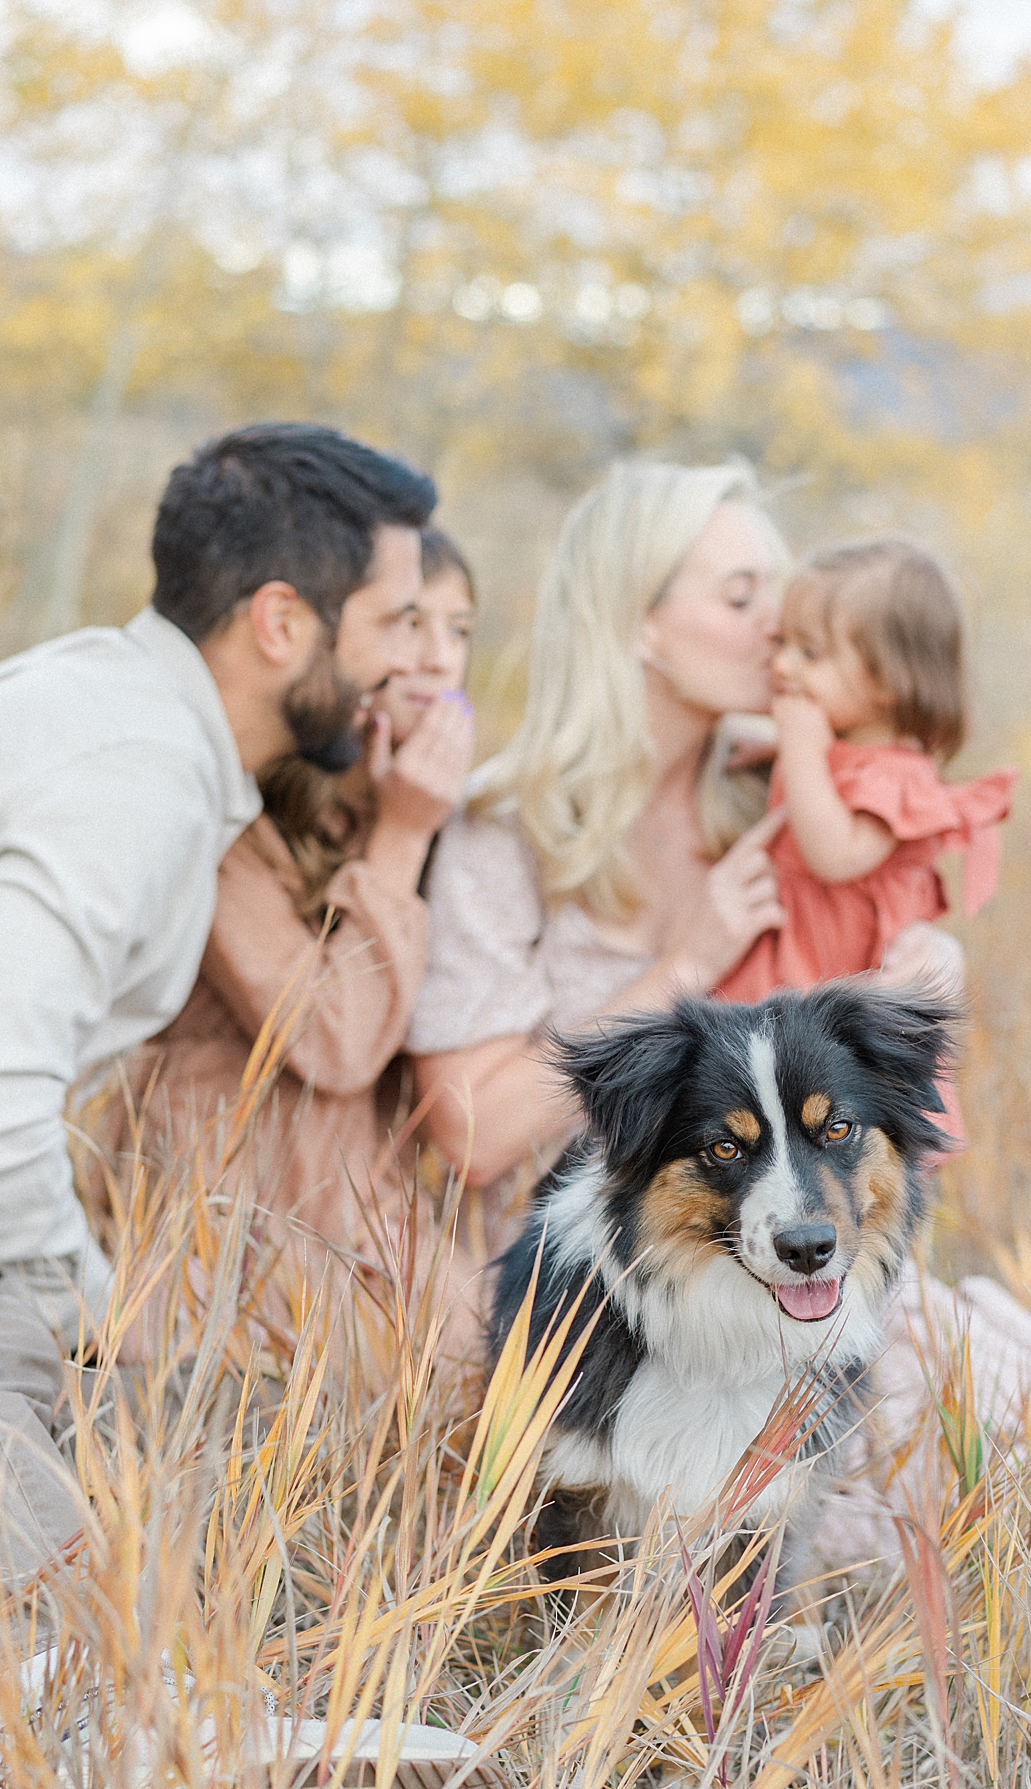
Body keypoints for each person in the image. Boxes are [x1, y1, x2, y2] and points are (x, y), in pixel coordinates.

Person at [0, 421, 437, 1587]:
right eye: (396, 621)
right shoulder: (132, 780)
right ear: (282, 622)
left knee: (200, 1529)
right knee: (92, 1651)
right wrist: (94, 1312)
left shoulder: (121, 711)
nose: (414, 662)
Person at [406, 462, 960, 1247]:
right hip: (598, 1276)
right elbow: (471, 1138)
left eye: (777, 590)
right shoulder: (503, 831)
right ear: (635, 620)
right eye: (741, 597)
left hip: (802, 1259)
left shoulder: (781, 799)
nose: (778, 624)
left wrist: (923, 975)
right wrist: (685, 969)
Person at [112, 527, 479, 1348]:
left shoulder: (430, 805)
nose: (437, 659)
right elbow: (332, 1037)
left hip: (364, 1214)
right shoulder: (236, 826)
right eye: (410, 624)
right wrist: (404, 838)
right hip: (228, 1228)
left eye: (460, 631)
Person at [716, 538, 1016, 1004]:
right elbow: (831, 777)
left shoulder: (900, 780)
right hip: (789, 950)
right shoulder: (839, 750)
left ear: (888, 682)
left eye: (809, 653)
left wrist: (800, 756)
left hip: (828, 973)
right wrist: (778, 753)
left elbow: (834, 855)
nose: (781, 663)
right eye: (782, 642)